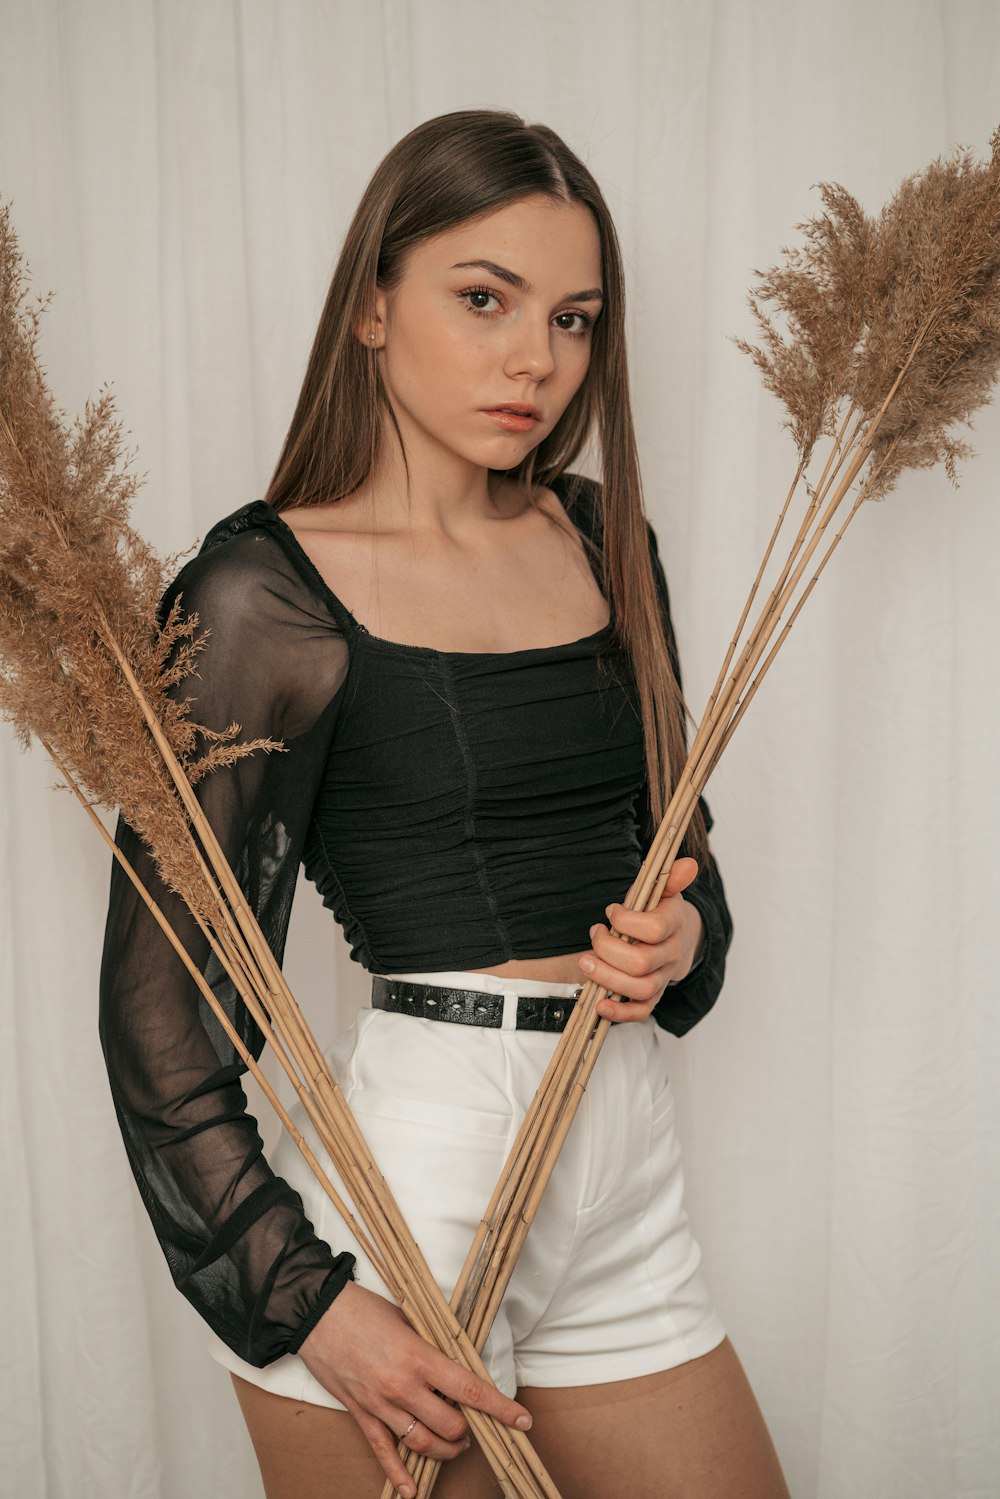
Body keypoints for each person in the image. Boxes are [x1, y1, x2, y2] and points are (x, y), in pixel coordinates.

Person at [99, 108, 790, 1499]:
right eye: (485, 299)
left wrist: (682, 940)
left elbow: (685, 854)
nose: (536, 359)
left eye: (576, 318)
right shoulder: (261, 596)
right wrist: (309, 1302)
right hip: (416, 1182)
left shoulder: (602, 534)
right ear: (372, 303)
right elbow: (158, 1012)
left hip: (626, 1160)